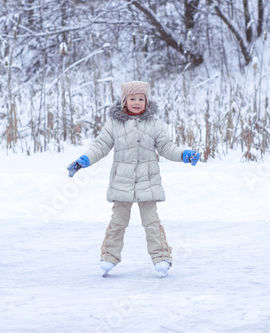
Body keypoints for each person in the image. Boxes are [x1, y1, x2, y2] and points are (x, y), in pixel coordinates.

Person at [67, 81, 200, 277]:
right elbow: (100, 146)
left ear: (146, 101)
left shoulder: (154, 123)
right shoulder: (114, 123)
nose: (136, 102)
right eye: (132, 99)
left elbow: (166, 147)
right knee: (117, 222)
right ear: (124, 101)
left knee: (151, 222)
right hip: (122, 181)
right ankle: (109, 257)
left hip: (148, 181)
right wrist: (83, 161)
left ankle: (162, 258)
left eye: (140, 99)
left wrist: (184, 154)